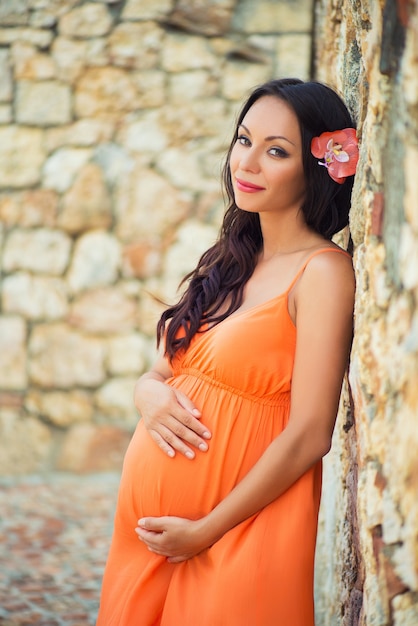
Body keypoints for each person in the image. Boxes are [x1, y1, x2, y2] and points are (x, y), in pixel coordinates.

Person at [97, 78, 359, 626]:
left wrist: (205, 530)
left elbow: (312, 432)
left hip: (239, 533)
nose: (249, 163)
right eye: (244, 140)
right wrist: (147, 392)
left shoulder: (324, 273)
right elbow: (161, 370)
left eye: (277, 151)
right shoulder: (231, 259)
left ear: (317, 168)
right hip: (151, 541)